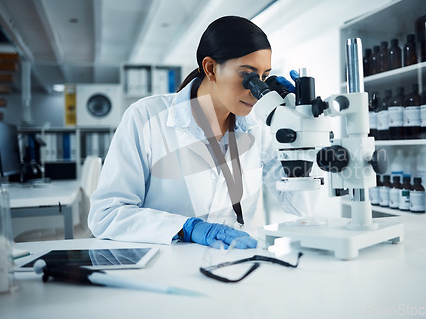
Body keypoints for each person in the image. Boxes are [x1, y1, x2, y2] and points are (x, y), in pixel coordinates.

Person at [88, 16, 314, 249]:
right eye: (248, 76)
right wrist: (186, 227)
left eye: (264, 77)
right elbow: (106, 214)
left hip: (233, 266)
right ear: (211, 68)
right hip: (163, 268)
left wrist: (300, 135)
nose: (256, 91)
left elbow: (300, 207)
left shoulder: (260, 127)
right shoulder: (145, 117)